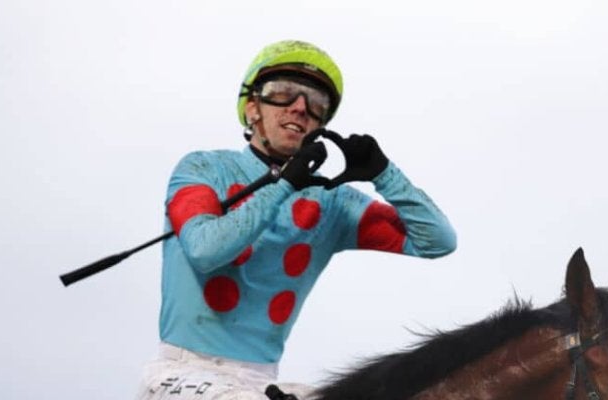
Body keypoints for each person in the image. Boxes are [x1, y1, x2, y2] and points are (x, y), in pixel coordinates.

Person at [136, 40, 457, 399]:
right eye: (283, 92)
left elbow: (438, 241)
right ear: (253, 108)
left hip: (264, 381)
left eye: (315, 102)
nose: (300, 107)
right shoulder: (203, 168)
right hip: (181, 372)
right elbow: (205, 250)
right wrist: (285, 184)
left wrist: (385, 173)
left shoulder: (333, 202)